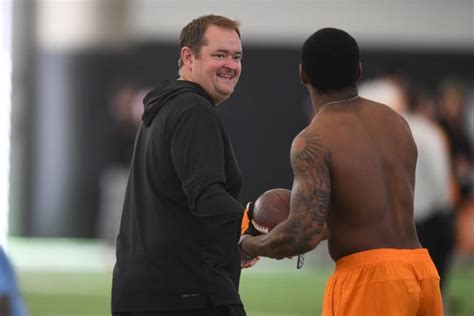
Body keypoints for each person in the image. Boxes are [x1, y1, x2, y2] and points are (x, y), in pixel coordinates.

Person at [240, 28, 443, 315]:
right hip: (421, 272)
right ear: (359, 71)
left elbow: (301, 234)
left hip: (370, 282)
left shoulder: (313, 139)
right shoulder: (396, 122)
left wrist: (248, 246)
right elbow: (360, 216)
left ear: (303, 74)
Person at [112, 14, 253, 316]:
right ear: (189, 57)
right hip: (186, 294)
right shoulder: (192, 110)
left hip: (140, 293)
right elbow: (205, 196)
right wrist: (252, 225)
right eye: (219, 55)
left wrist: (234, 239)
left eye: (236, 56)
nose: (231, 65)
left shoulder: (165, 108)